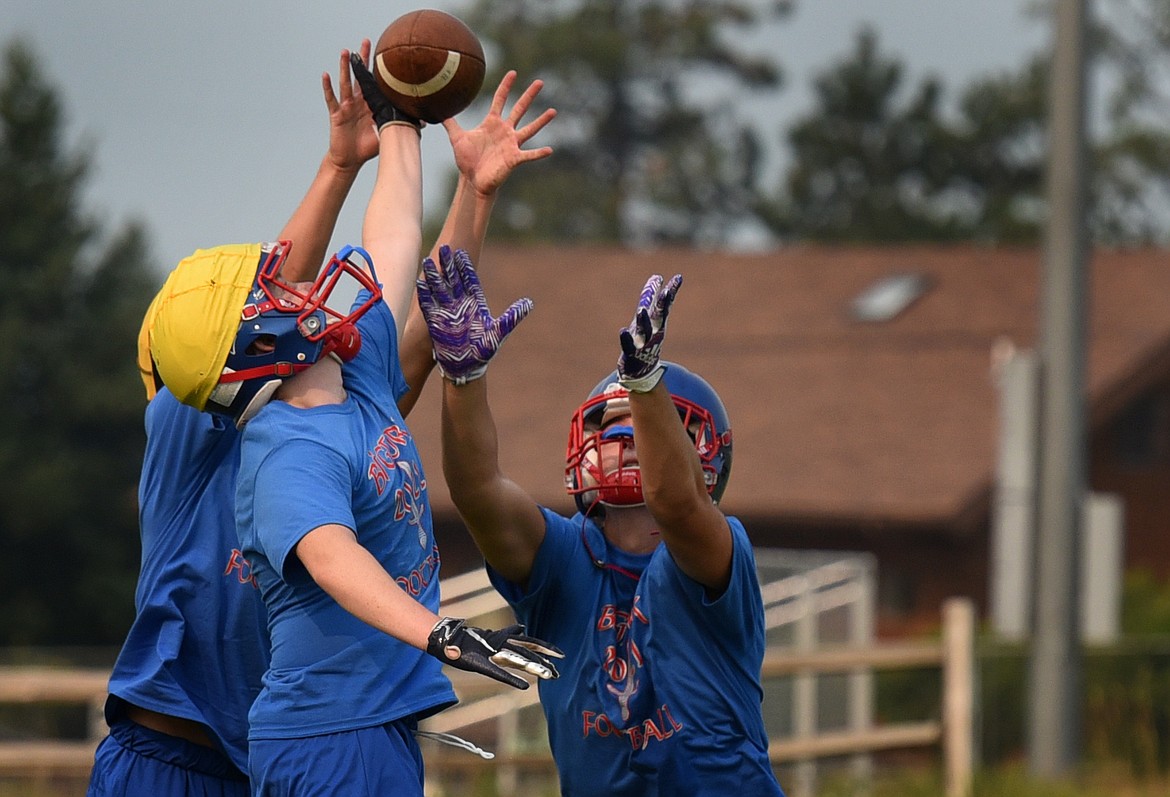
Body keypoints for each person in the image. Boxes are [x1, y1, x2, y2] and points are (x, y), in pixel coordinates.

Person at [89, 39, 559, 796]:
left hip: (284, 737)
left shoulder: (333, 387)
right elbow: (276, 283)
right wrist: (339, 167)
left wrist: (436, 157)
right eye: (267, 293)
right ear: (243, 338)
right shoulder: (198, 417)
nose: (295, 288)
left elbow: (411, 293)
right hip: (176, 752)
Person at [416, 254, 787, 796]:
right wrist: (463, 380)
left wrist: (645, 386)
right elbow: (477, 490)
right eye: (610, 426)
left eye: (642, 424)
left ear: (701, 453)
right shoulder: (564, 558)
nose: (622, 438)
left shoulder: (717, 547)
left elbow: (678, 507)